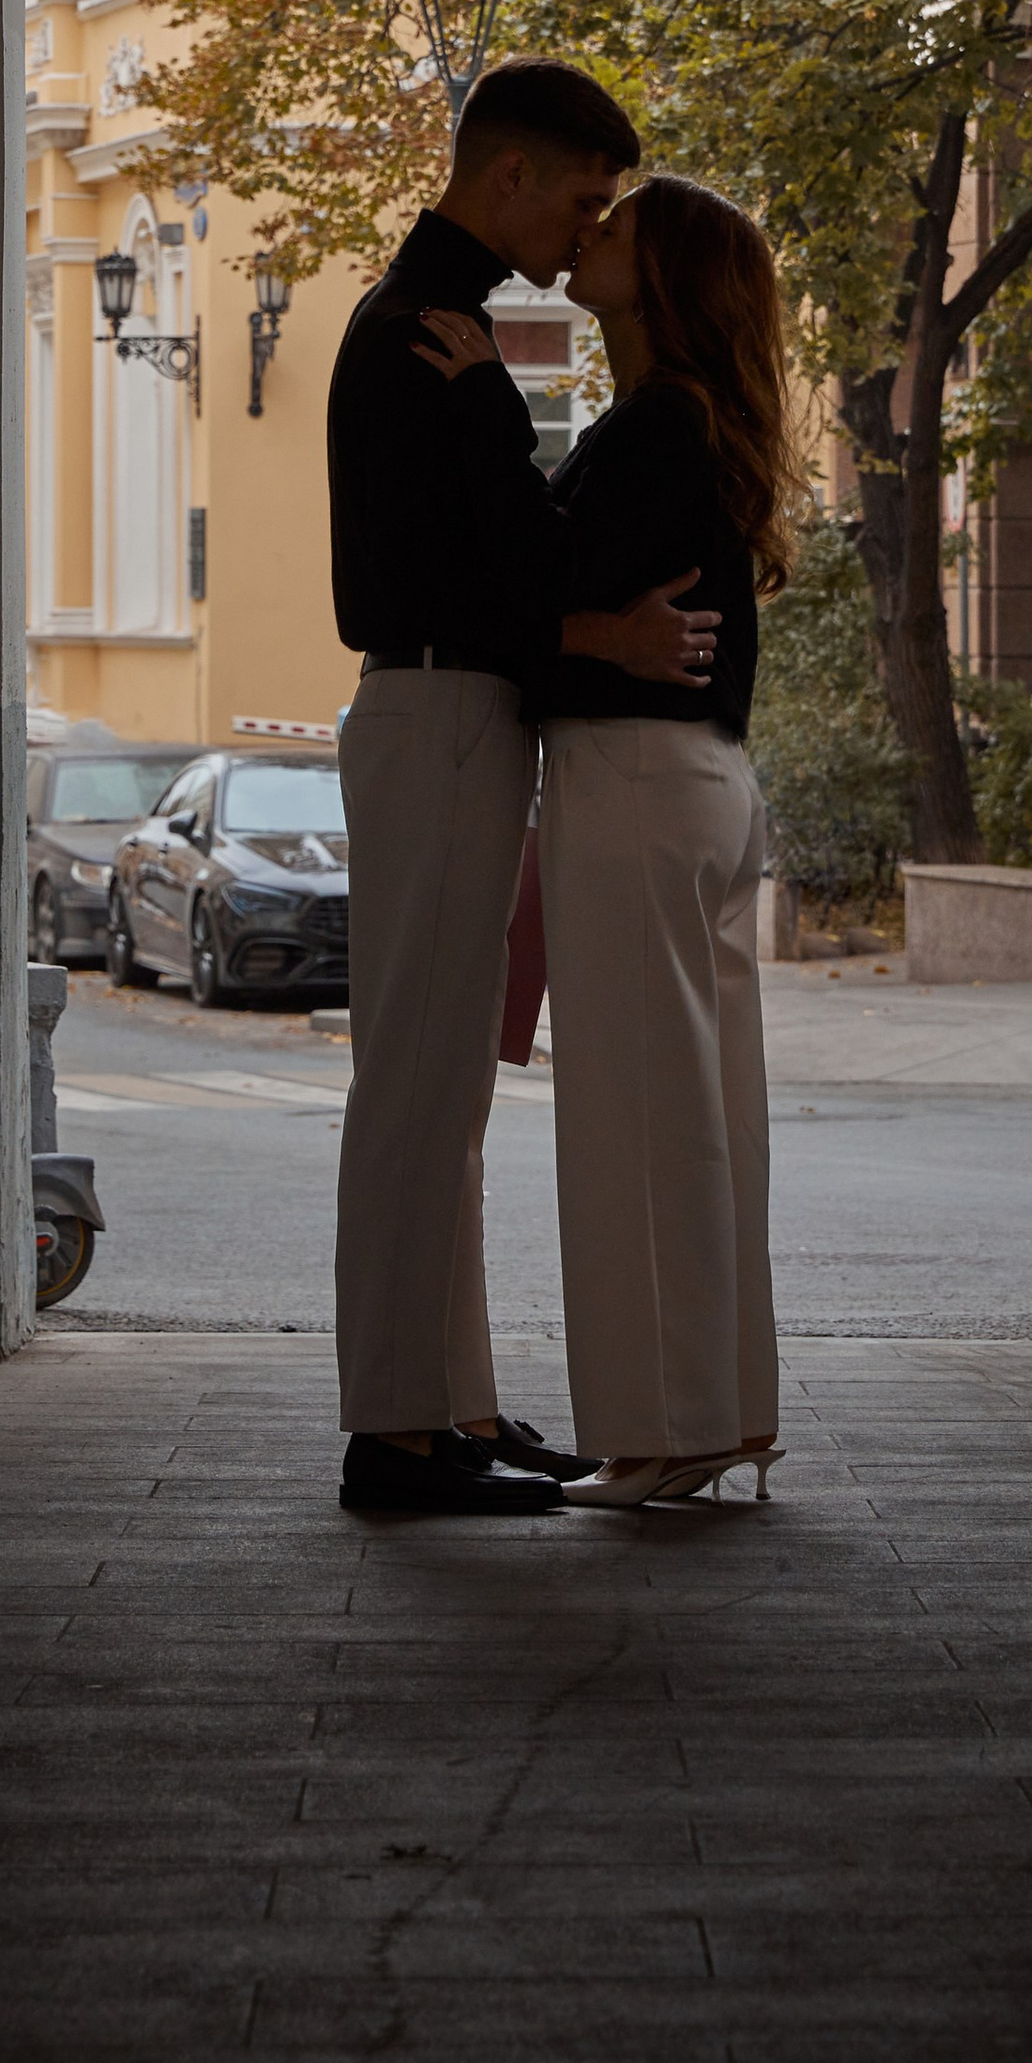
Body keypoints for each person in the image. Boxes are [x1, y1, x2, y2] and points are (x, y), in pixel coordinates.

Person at [327, 61, 721, 1516]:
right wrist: (586, 627)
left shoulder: (451, 332)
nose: (588, 220)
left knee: (446, 1089)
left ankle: (450, 1407)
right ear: (506, 177)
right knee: (418, 1088)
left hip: (455, 712)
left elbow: (497, 548)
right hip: (434, 705)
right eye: (580, 191)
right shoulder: (419, 336)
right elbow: (442, 575)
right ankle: (393, 1431)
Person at [421, 173, 792, 1506]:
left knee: (638, 1123)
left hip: (634, 781)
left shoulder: (653, 427)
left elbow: (540, 573)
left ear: (666, 276)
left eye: (619, 223)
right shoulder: (682, 424)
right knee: (708, 1120)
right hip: (699, 782)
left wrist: (477, 405)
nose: (592, 233)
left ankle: (661, 1431)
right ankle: (721, 1410)